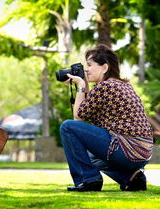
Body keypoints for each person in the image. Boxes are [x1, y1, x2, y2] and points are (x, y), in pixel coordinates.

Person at [60, 44, 154, 192]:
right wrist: (83, 84)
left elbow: (78, 117)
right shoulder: (122, 85)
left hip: (126, 148)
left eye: (90, 65)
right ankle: (132, 178)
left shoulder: (105, 86)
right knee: (88, 156)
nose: (86, 70)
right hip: (142, 152)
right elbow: (88, 109)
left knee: (67, 127)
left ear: (104, 67)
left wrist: (80, 86)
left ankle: (89, 180)